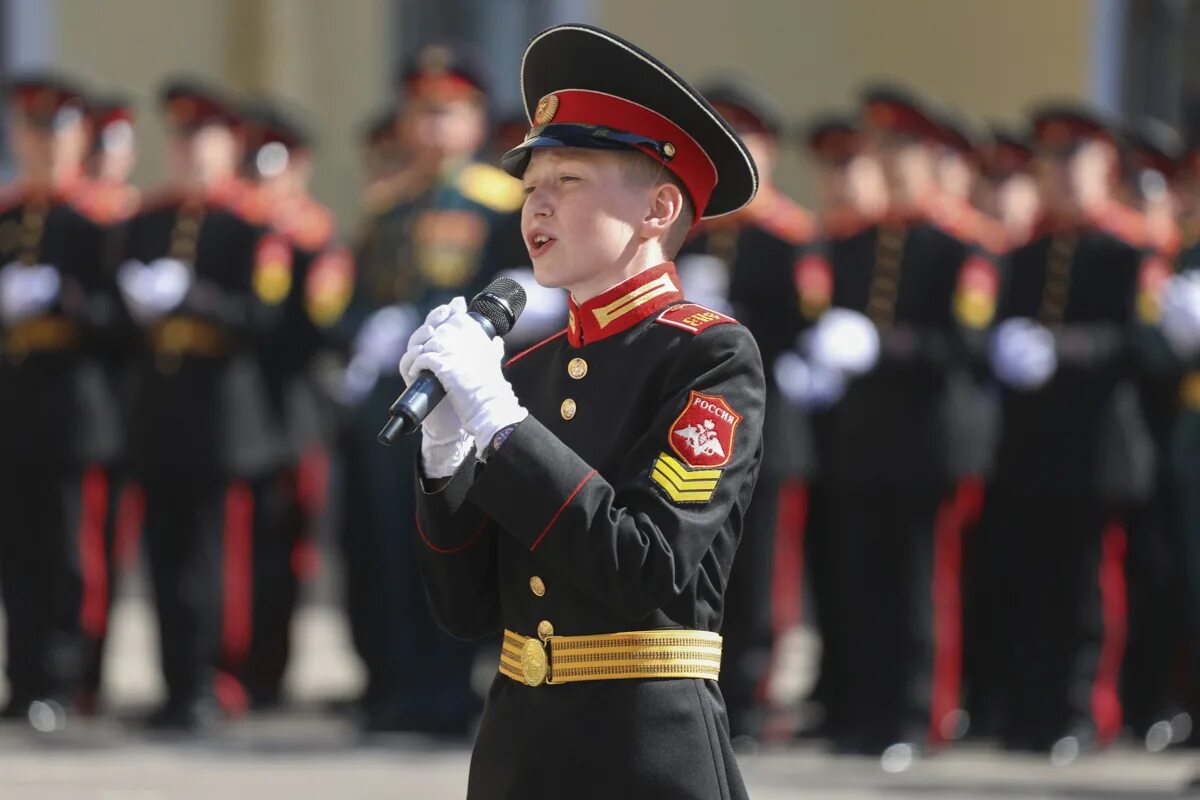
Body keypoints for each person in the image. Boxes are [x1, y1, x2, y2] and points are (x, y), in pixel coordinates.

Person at [404, 23, 763, 799]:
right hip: (517, 753)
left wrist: (499, 424)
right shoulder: (523, 369)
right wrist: (445, 455)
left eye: (567, 181)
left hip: (645, 754)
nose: (537, 206)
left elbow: (645, 564)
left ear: (659, 207)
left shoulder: (709, 358)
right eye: (530, 187)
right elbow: (465, 609)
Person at [341, 41, 524, 734]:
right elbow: (357, 296)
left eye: (447, 112)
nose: (432, 127)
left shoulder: (501, 203)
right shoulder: (389, 207)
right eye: (421, 112)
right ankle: (400, 684)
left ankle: (448, 690)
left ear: (475, 122)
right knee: (389, 545)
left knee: (451, 541)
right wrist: (367, 330)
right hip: (393, 402)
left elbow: (513, 295)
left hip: (461, 401)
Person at [980, 104, 1153, 758]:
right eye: (1049, 163)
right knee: (1034, 582)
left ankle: (1083, 713)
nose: (1059, 176)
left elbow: (1141, 342)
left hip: (1097, 446)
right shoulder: (1028, 253)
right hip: (1032, 445)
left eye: (1073, 161)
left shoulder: (1131, 250)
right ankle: (1033, 710)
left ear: (1105, 167)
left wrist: (1066, 347)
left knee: (1086, 589)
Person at [116, 78, 288, 728]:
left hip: (222, 417)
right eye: (181, 137)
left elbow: (261, 319)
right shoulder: (150, 218)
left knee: (215, 558)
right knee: (162, 555)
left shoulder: (250, 223)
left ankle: (216, 681)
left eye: (203, 138)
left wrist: (191, 298)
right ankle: (175, 681)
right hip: (160, 411)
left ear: (229, 144)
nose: (189, 151)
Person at [676, 75, 813, 741]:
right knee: (698, 566)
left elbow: (801, 332)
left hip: (766, 426)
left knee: (760, 571)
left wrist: (742, 319)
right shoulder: (686, 233)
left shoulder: (789, 239)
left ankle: (753, 694)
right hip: (694, 428)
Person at [0, 72, 120, 731]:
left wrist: (67, 302)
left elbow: (121, 318)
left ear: (79, 138)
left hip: (75, 410)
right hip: (14, 409)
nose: (45, 145)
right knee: (17, 552)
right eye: (32, 130)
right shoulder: (9, 216)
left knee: (70, 556)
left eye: (59, 131)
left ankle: (67, 680)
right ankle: (24, 680)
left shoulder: (99, 219)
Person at [240, 99, 354, 708]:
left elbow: (323, 323)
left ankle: (270, 670)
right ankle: (241, 666)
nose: (265, 180)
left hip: (296, 414)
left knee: (289, 547)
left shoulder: (314, 235)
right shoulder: (243, 229)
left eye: (275, 165)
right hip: (244, 411)